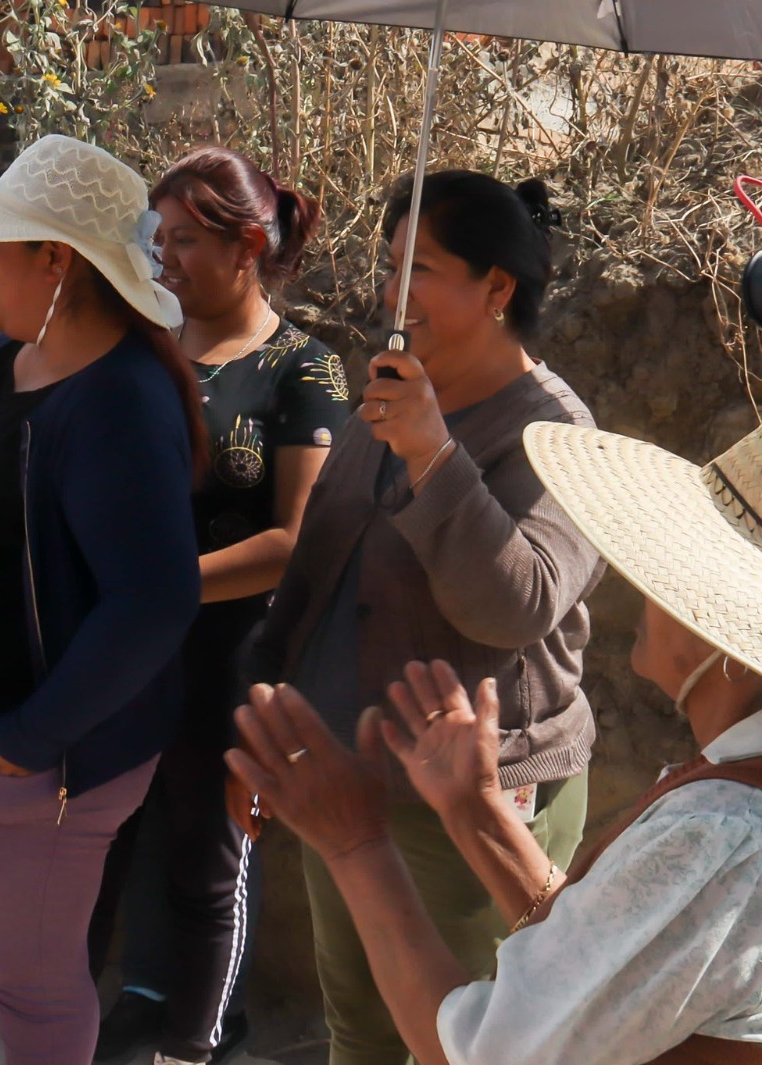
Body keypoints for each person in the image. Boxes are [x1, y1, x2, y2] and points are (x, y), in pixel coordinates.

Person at [229, 419, 762, 1065]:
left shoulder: (720, 832)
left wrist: (355, 841)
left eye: (670, 571)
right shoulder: (731, 807)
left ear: (720, 634)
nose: (647, 588)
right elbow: (602, 960)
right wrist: (476, 812)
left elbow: (486, 1054)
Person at [241, 170, 601, 1065]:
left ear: (497, 287)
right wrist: (263, 724)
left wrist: (436, 455)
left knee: (472, 1037)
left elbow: (514, 606)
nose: (392, 292)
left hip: (475, 800)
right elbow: (318, 569)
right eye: (390, 261)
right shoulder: (394, 392)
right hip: (350, 779)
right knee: (361, 1028)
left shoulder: (561, 433)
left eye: (423, 268)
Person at [0, 133, 207, 1065]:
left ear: (57, 260)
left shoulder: (119, 400)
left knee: (33, 986)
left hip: (33, 762)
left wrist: (30, 736)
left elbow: (153, 600)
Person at [88, 146, 348, 1065]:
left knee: (209, 855)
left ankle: (198, 1042)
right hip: (121, 647)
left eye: (186, 239)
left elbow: (296, 539)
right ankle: (110, 1012)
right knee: (103, 840)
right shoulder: (139, 352)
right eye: (159, 238)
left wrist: (158, 583)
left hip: (231, 654)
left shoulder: (303, 369)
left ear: (248, 245)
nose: (165, 257)